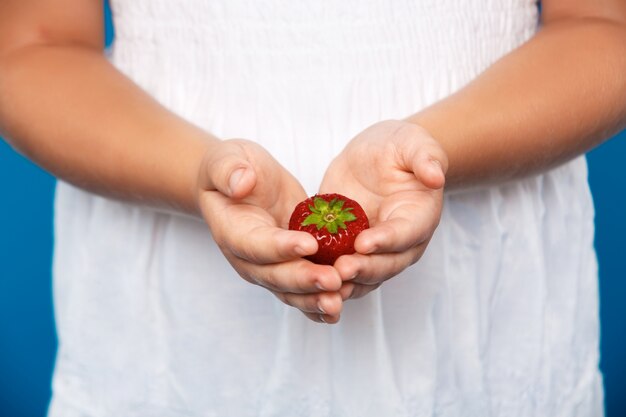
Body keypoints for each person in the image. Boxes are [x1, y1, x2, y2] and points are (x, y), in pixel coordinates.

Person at [1, 0, 625, 415]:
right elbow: (30, 47)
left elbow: (605, 27)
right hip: (177, 306)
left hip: (481, 293)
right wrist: (200, 175)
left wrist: (433, 152)